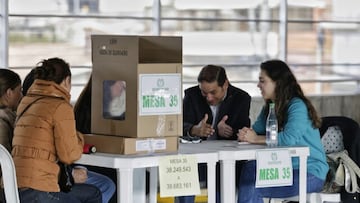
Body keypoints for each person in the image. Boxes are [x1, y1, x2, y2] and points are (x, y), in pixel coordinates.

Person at [237, 59, 329, 203]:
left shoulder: (297, 106)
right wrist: (245, 134)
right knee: (250, 169)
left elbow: (288, 138)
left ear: (278, 82)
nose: (258, 85)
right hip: (283, 168)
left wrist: (254, 139)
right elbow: (256, 129)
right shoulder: (270, 106)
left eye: (262, 81)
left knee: (250, 186)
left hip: (309, 173)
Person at [12, 57, 102, 203]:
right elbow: (69, 155)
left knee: (89, 192)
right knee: (92, 194)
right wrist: (79, 138)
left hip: (13, 187)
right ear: (66, 80)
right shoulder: (60, 107)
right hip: (39, 190)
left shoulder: (26, 102)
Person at [180, 64, 251, 203]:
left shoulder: (241, 98)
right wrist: (194, 129)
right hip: (197, 158)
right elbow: (179, 125)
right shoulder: (192, 95)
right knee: (184, 171)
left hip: (225, 159)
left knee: (221, 174)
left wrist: (228, 132)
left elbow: (244, 131)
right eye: (204, 93)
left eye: (213, 92)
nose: (209, 98)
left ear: (225, 84)